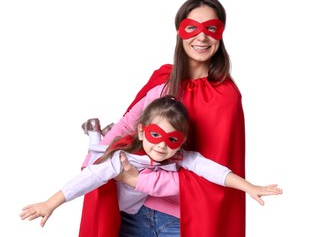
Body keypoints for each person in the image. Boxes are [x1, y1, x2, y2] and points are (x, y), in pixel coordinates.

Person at [78, 0, 255, 237]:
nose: (201, 37)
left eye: (211, 29)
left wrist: (138, 181)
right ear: (179, 32)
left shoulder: (225, 96)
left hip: (183, 223)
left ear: (220, 34)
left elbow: (214, 174)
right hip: (132, 214)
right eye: (192, 27)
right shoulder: (163, 81)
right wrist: (94, 161)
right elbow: (129, 124)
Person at [20, 96, 282, 232]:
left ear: (183, 141)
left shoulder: (179, 155)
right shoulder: (123, 160)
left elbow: (212, 170)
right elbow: (88, 178)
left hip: (159, 215)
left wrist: (249, 186)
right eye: (156, 136)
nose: (162, 146)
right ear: (143, 132)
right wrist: (49, 204)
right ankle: (95, 133)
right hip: (128, 216)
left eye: (172, 139)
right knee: (99, 152)